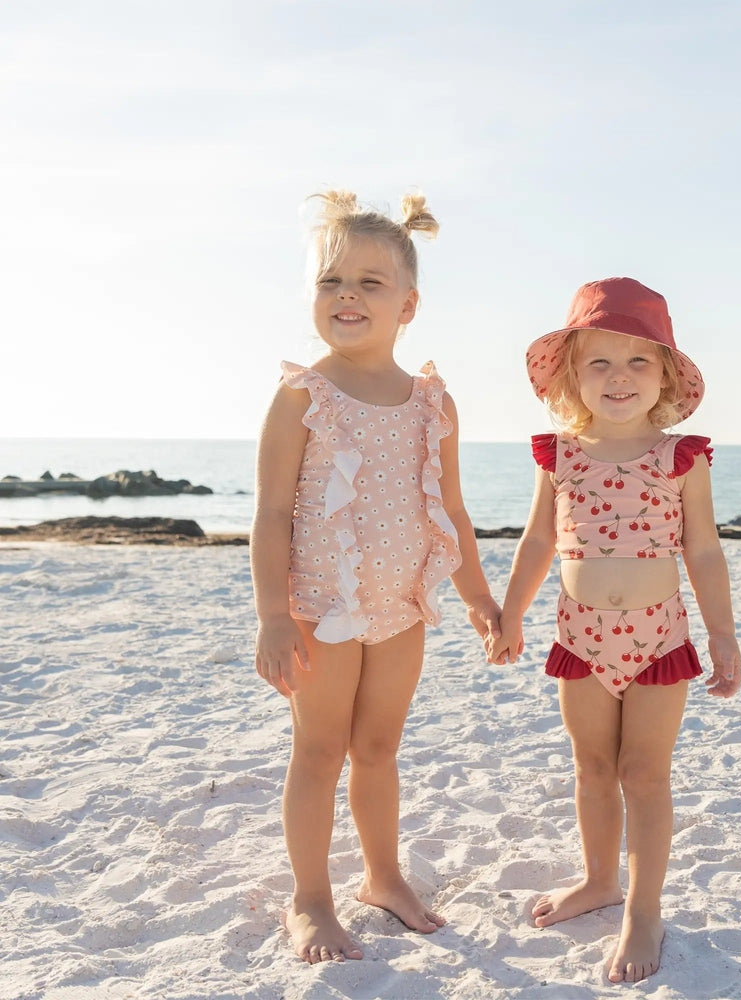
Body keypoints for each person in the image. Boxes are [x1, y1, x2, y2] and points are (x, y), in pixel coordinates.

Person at [251, 189, 501, 964]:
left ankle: (383, 877)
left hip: (400, 604)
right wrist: (272, 615)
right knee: (319, 751)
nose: (348, 295)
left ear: (409, 304)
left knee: (380, 748)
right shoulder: (303, 395)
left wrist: (481, 598)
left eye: (369, 281)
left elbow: (452, 513)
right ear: (311, 297)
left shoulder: (433, 402)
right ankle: (311, 898)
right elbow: (271, 516)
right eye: (331, 281)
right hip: (321, 608)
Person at [487, 277, 741, 984]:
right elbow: (537, 543)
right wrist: (511, 615)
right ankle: (600, 879)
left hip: (661, 641)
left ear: (664, 374)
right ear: (572, 373)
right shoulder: (559, 455)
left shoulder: (679, 457)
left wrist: (722, 635)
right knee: (593, 769)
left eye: (638, 361)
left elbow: (704, 549)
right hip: (578, 636)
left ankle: (644, 910)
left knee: (644, 774)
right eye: (599, 361)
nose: (619, 376)